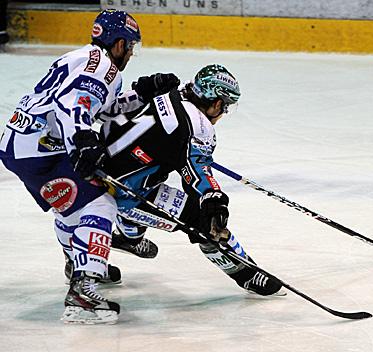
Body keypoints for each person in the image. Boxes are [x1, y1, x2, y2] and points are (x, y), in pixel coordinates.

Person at [0, 9, 179, 324]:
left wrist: (144, 91)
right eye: (131, 46)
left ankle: (79, 263)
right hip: (41, 148)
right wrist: (84, 141)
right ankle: (82, 294)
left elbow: (104, 108)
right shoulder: (104, 67)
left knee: (72, 208)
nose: (131, 54)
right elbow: (76, 102)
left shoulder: (85, 58)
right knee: (101, 203)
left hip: (23, 143)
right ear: (119, 43)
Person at [100, 64, 284, 297]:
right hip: (124, 193)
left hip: (94, 168)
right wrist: (213, 198)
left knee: (149, 182)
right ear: (217, 103)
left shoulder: (167, 92)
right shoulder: (198, 125)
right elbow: (196, 169)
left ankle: (129, 239)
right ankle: (247, 275)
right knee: (203, 223)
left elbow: (112, 113)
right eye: (225, 106)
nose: (224, 112)